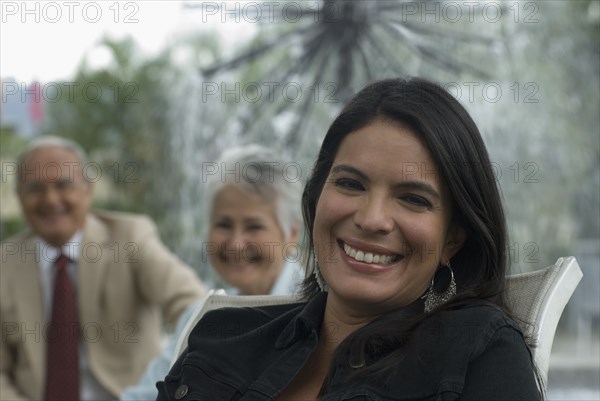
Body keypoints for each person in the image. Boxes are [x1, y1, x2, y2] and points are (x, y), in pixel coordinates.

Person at [157, 77, 542, 401]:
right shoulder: (220, 337)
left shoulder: (478, 350)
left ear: (453, 240)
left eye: (412, 198)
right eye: (350, 183)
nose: (371, 219)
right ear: (317, 196)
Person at [0, 136, 206, 401]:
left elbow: (193, 307)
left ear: (88, 189)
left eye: (63, 185)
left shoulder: (130, 238)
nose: (50, 199)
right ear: (19, 196)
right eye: (35, 188)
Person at [119, 144, 303, 401]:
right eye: (223, 224)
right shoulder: (202, 316)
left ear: (291, 234)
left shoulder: (319, 315)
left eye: (254, 227)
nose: (236, 243)